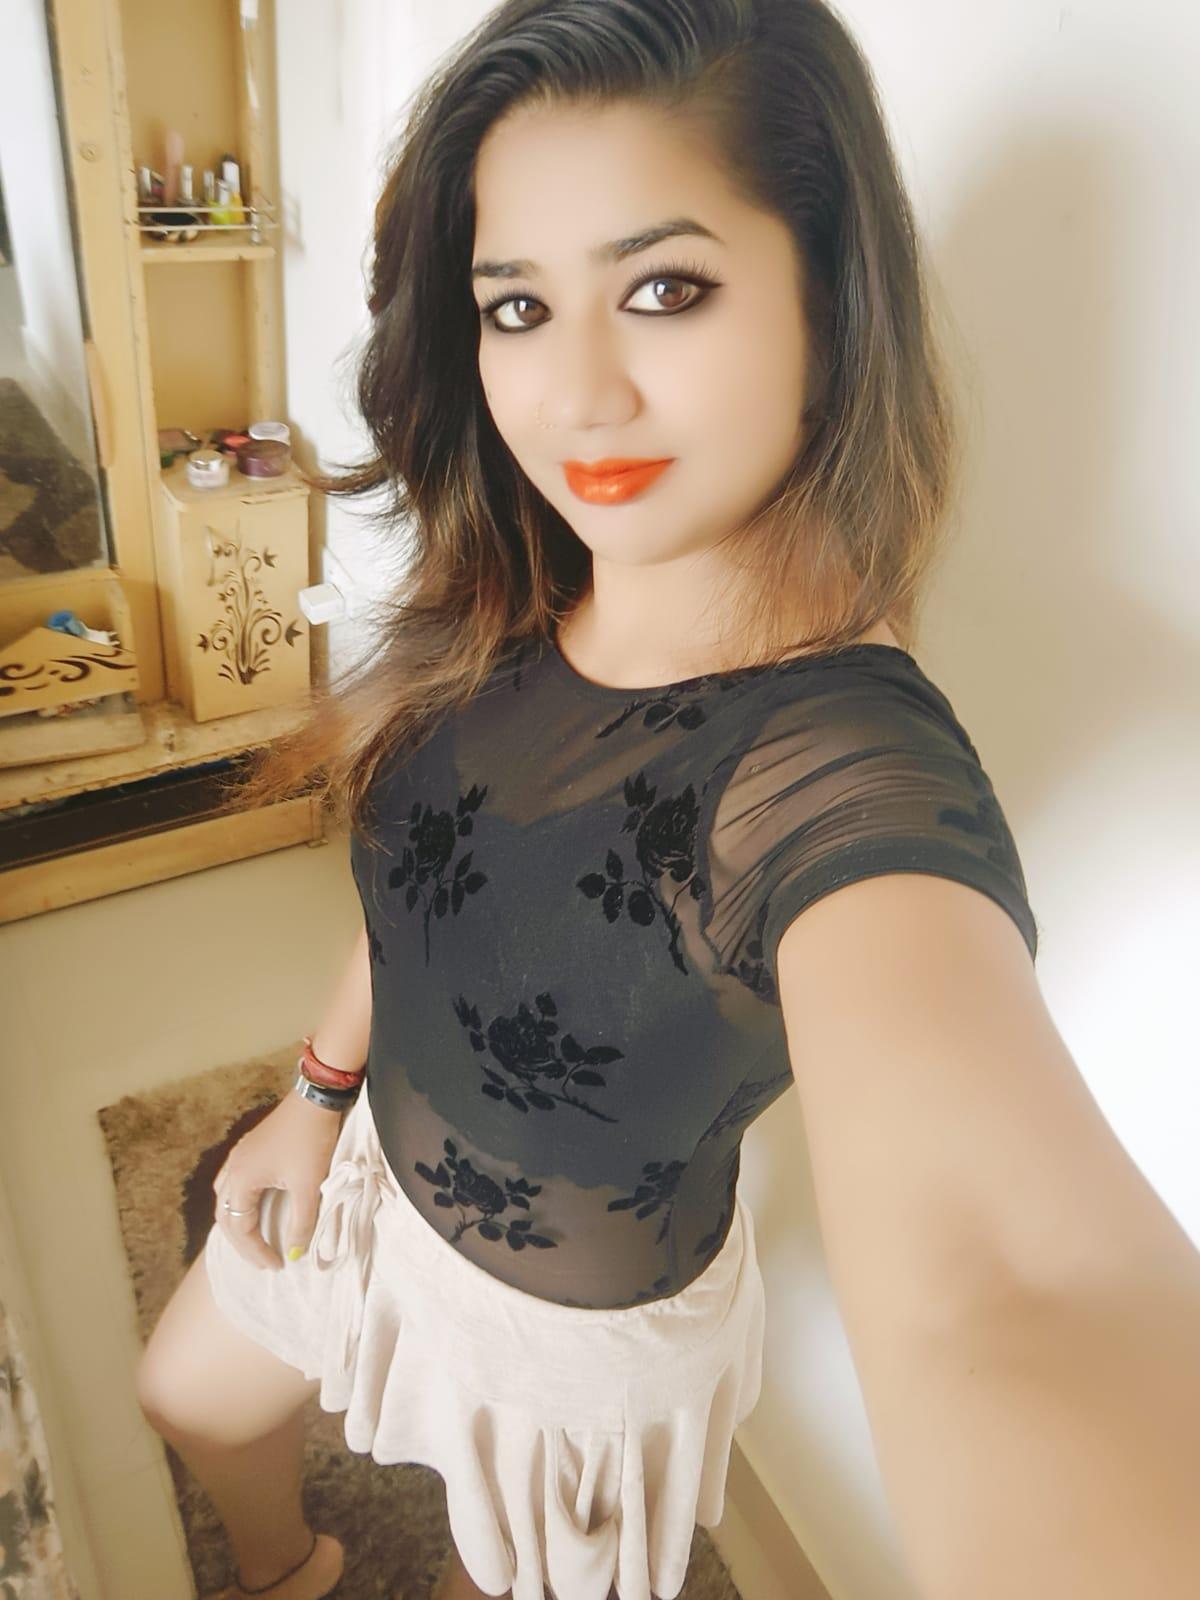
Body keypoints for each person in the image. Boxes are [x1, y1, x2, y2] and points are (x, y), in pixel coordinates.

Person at [133, 4, 1200, 1600]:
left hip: (575, 1356)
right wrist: (314, 1092)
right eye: (517, 306)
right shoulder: (512, 585)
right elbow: (423, 888)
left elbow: (1010, 1285)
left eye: (663, 289)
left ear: (830, 302)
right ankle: (291, 1573)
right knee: (183, 1395)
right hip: (369, 1194)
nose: (576, 397)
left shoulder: (833, 767)